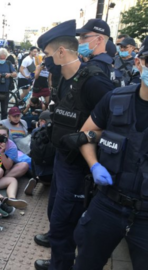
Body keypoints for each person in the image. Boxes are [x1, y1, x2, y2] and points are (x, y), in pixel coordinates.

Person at [33, 19, 114, 270]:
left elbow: (114, 128)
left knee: (65, 222)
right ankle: (59, 259)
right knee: (56, 217)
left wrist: (86, 139)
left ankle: (62, 265)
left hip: (80, 166)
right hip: (62, 159)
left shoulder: (94, 82)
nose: (43, 61)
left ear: (60, 52)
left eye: (46, 55)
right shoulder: (64, 79)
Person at [73, 36, 148, 270]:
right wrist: (94, 163)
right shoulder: (116, 98)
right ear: (139, 63)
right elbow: (86, 134)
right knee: (85, 263)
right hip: (108, 203)